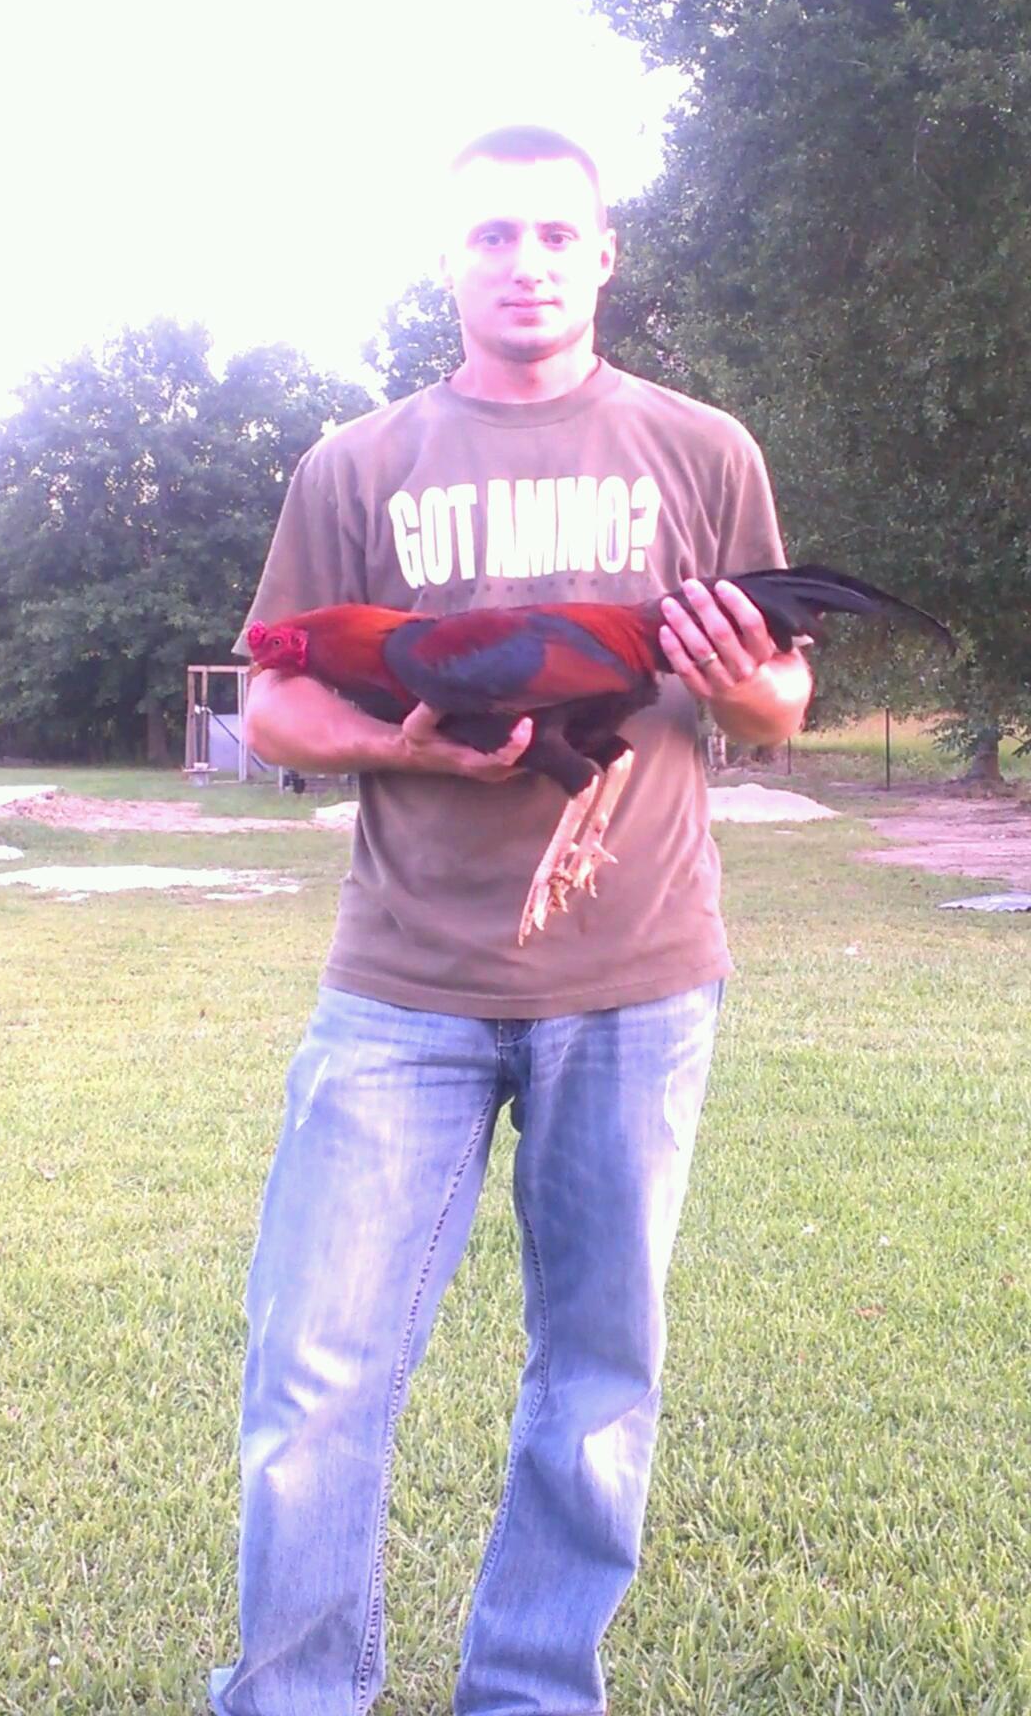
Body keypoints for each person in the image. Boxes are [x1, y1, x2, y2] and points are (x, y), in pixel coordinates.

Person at [209, 125, 812, 1716]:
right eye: (492, 235)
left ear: (605, 254)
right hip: (401, 980)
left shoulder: (701, 448)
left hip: (638, 975)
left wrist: (735, 674)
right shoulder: (354, 466)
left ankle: (535, 1694)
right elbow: (275, 699)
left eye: (555, 233)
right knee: (314, 1372)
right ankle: (294, 1697)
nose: (526, 262)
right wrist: (406, 745)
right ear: (450, 262)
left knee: (598, 1380)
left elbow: (777, 707)